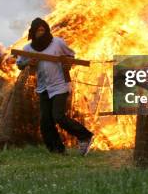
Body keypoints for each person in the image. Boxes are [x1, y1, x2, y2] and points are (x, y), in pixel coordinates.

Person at [16, 18, 93, 156]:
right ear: (33, 32)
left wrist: (67, 63)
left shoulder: (57, 43)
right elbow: (19, 64)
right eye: (38, 30)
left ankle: (85, 136)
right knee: (45, 122)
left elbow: (71, 55)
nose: (41, 33)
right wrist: (28, 62)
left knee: (58, 116)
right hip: (43, 87)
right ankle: (57, 150)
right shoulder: (28, 48)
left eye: (43, 30)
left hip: (60, 85)